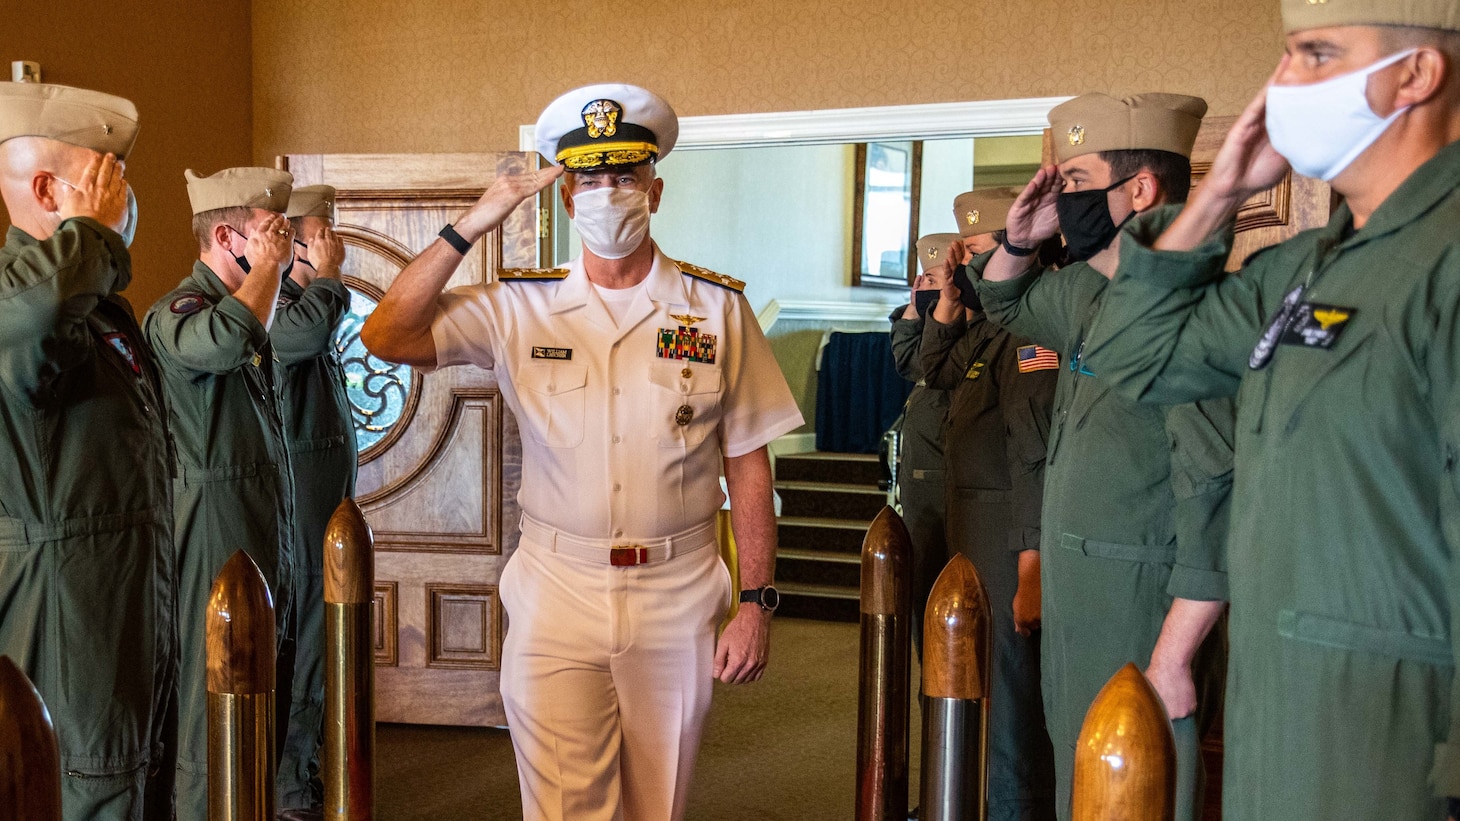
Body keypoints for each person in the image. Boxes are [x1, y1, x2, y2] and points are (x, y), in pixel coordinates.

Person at [359, 83, 803, 821]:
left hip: (679, 587)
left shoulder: (718, 309)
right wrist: (474, 222)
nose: (607, 195)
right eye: (589, 180)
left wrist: (756, 601)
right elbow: (387, 335)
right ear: (567, 200)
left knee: (656, 804)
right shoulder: (516, 306)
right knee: (566, 806)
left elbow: (749, 460)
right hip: (557, 588)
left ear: (654, 191)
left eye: (624, 177)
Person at [1078, 5, 1460, 818]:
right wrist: (1219, 192)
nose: (1282, 84)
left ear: (1418, 74)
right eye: (1283, 56)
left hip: (1401, 749)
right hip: (1282, 717)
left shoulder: (1446, 261)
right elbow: (1135, 356)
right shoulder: (1311, 265)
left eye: (1317, 54)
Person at [974, 93, 1233, 821]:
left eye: (1076, 183)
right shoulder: (1087, 287)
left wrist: (1177, 649)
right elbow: (1004, 305)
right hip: (1076, 590)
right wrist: (1021, 239)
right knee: (1081, 783)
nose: (1063, 199)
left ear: (1140, 190)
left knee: (1142, 786)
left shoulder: (1192, 306)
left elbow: (1217, 490)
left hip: (1142, 595)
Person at [0, 82, 173, 821]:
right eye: (105, 180)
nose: (121, 201)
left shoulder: (93, 305)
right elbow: (31, 328)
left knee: (130, 784)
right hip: (66, 620)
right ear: (47, 189)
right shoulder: (19, 296)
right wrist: (94, 236)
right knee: (90, 787)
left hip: (122, 601)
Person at [143, 167, 298, 821]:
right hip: (210, 524)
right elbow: (231, 340)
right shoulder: (181, 312)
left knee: (260, 695)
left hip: (259, 519)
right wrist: (268, 270)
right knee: (214, 708)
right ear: (228, 235)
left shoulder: (253, 304)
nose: (286, 245)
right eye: (273, 232)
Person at [920, 187, 1057, 821]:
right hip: (972, 534)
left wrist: (1029, 566)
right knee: (976, 690)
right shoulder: (987, 327)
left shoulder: (1030, 331)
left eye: (978, 252)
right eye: (965, 253)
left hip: (1005, 542)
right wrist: (947, 298)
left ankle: (1014, 808)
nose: (968, 266)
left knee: (1009, 700)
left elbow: (1031, 456)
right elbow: (935, 371)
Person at [274, 184, 356, 821]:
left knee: (324, 643)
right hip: (296, 505)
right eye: (319, 234)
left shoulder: (308, 299)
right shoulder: (273, 303)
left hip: (327, 500)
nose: (332, 245)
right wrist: (326, 275)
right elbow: (291, 343)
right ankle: (292, 787)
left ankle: (305, 770)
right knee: (303, 641)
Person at [889, 232, 961, 657]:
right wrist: (916, 309)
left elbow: (926, 366)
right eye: (920, 280)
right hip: (922, 492)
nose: (924, 288)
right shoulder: (927, 323)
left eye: (933, 279)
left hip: (945, 491)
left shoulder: (961, 330)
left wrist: (928, 313)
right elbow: (908, 363)